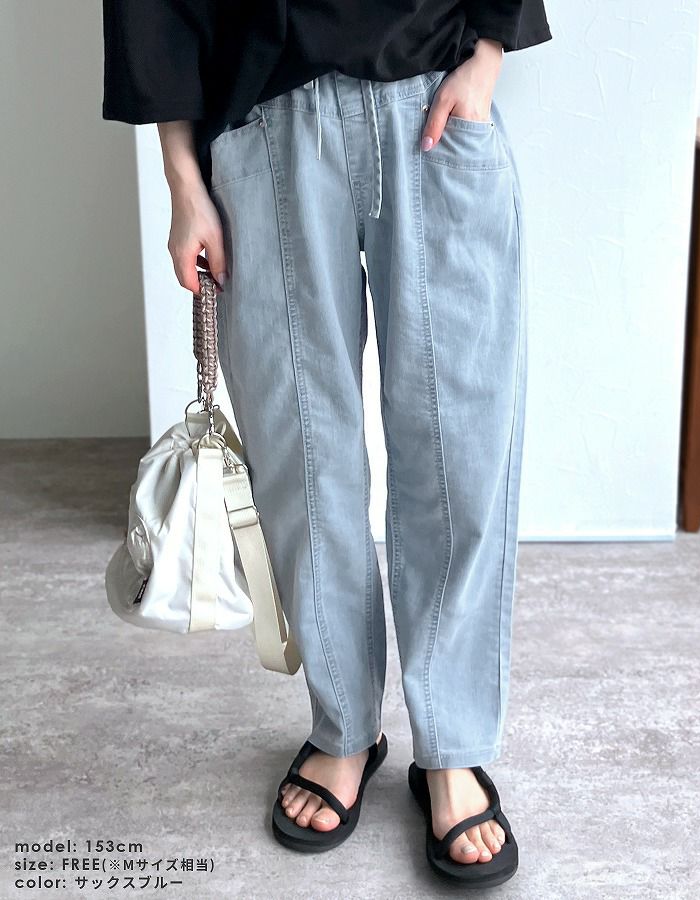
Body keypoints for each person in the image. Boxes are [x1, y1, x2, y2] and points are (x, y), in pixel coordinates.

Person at [102, 1, 551, 888]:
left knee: (460, 453)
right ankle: (344, 725)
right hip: (264, 124)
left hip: (433, 96)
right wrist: (182, 179)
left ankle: (453, 745)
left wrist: (489, 55)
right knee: (302, 460)